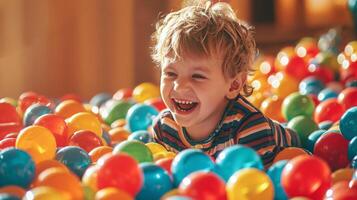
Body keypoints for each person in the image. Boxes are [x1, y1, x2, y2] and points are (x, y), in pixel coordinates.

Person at [150, 1, 300, 167]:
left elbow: (257, 184)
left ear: (234, 85)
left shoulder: (249, 128)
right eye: (171, 74)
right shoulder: (164, 128)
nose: (179, 86)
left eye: (197, 76)